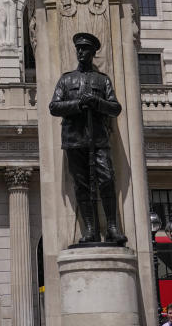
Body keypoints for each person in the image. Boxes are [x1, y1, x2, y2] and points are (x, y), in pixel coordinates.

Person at [49, 32, 127, 245]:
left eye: (85, 49)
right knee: (82, 185)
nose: (81, 52)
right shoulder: (66, 79)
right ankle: (90, 230)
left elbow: (115, 107)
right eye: (79, 49)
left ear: (93, 53)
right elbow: (54, 107)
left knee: (107, 180)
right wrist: (78, 105)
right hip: (74, 140)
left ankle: (112, 227)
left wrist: (96, 102)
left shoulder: (102, 80)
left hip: (98, 139)